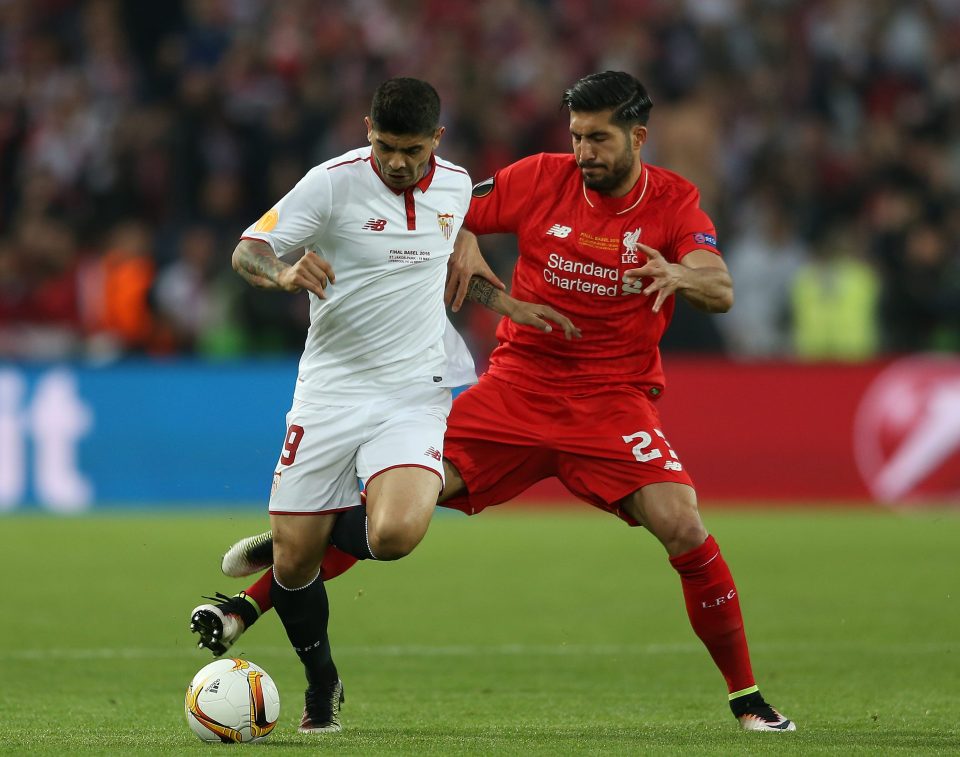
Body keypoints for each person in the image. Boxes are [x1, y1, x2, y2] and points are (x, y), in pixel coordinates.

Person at [193, 71, 795, 733]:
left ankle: (748, 699)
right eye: (576, 137)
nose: (584, 152)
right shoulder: (541, 176)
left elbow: (720, 287)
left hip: (610, 399)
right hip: (515, 386)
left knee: (683, 523)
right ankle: (251, 600)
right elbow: (450, 206)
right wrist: (467, 241)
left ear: (638, 138)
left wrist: (680, 273)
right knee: (401, 512)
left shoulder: (676, 203)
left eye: (599, 138)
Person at [201, 76, 578, 736]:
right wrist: (285, 274)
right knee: (292, 567)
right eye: (383, 146)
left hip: (413, 390)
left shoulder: (456, 186)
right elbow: (247, 249)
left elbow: (455, 260)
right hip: (329, 392)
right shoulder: (331, 183)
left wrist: (508, 304)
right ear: (366, 129)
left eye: (410, 149)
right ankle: (323, 681)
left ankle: (323, 525)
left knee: (397, 534)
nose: (397, 162)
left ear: (436, 138)